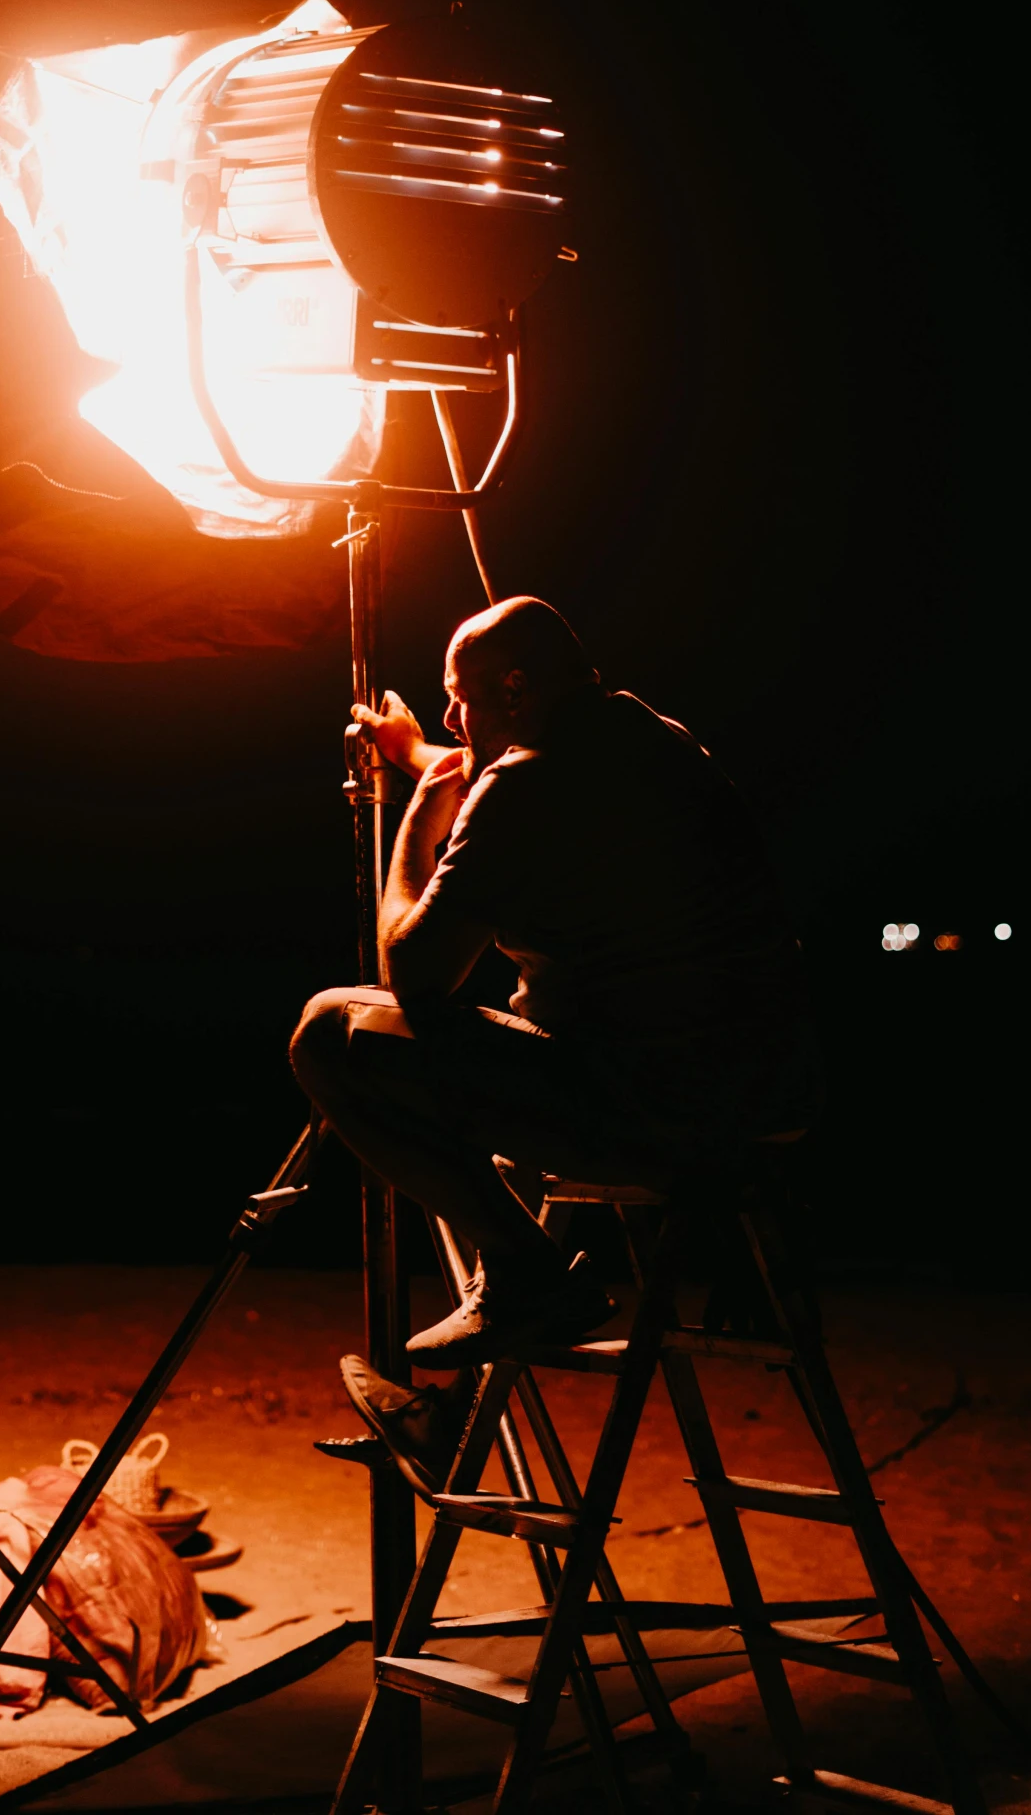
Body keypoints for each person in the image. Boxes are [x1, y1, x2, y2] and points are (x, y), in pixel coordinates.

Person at [289, 597, 821, 1482]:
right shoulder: (652, 739)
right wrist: (415, 754)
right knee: (505, 1118)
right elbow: (491, 774)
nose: (451, 718)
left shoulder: (526, 781)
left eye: (459, 698)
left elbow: (412, 971)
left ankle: (530, 1274)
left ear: (516, 685)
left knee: (331, 1029)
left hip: (658, 1108)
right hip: (762, 1098)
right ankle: (453, 1423)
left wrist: (414, 819)